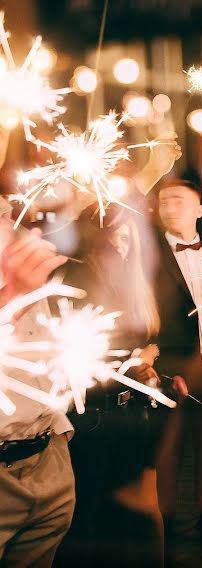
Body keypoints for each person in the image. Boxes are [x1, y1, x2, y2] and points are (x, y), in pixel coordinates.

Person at [56, 207, 167, 567]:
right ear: (95, 233)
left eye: (130, 234)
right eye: (117, 232)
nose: (124, 241)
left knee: (134, 513)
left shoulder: (130, 277)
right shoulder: (78, 276)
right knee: (90, 518)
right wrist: (130, 366)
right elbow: (76, 353)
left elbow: (139, 340)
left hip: (132, 415)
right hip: (95, 418)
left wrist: (149, 359)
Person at [151, 180, 202, 563]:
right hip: (173, 368)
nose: (170, 207)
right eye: (164, 201)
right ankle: (163, 533)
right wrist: (166, 370)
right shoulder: (151, 256)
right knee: (167, 456)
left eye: (180, 200)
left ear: (201, 209)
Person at [0, 200, 74, 567]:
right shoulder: (20, 282)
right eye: (0, 216)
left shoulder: (23, 272)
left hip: (47, 462)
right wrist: (15, 295)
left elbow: (43, 359)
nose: (11, 224)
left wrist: (58, 432)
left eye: (8, 213)